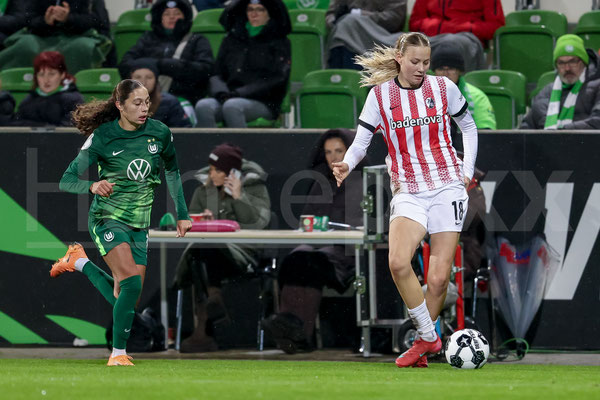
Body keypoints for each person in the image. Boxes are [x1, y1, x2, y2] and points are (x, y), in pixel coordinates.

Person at [333, 32, 478, 368]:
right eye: (415, 62)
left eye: (426, 62)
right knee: (398, 263)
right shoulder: (380, 96)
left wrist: (466, 170)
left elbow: (468, 127)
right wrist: (347, 164)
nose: (422, 68)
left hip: (447, 186)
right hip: (409, 189)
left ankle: (422, 342)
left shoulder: (443, 88)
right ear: (399, 58)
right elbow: (361, 142)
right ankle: (428, 337)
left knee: (439, 279)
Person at [49, 79, 192, 366]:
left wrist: (182, 213)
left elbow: (173, 172)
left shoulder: (160, 133)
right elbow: (67, 180)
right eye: (137, 103)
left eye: (147, 102)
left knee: (128, 297)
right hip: (107, 219)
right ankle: (117, 354)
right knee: (130, 284)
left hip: (140, 223)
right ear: (120, 105)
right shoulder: (103, 136)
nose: (144, 108)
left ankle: (79, 261)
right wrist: (92, 186)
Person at [262, 128, 365, 354]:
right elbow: (307, 220)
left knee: (310, 263)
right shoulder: (320, 182)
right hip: (316, 248)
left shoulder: (363, 182)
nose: (333, 157)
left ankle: (296, 330)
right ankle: (290, 327)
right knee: (295, 260)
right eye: (328, 152)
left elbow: (362, 228)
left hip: (347, 254)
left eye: (339, 151)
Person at [173, 143, 271, 352]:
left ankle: (202, 330)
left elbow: (259, 223)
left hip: (244, 254)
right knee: (199, 251)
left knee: (204, 253)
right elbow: (189, 223)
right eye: (210, 169)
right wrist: (203, 221)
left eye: (218, 170)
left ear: (232, 172)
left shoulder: (256, 189)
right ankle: (213, 299)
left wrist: (239, 196)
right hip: (209, 253)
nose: (212, 174)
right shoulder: (203, 192)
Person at [195, 0, 291, 128]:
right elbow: (216, 73)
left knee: (232, 107)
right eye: (250, 9)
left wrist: (240, 93)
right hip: (229, 96)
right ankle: (212, 141)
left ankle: (239, 142)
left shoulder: (279, 42)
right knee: (203, 106)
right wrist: (221, 93)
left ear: (270, 14)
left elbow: (276, 79)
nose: (254, 14)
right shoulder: (232, 39)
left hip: (263, 101)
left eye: (260, 10)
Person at [119, 0, 214, 106]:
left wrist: (165, 65)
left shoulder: (197, 40)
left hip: (184, 98)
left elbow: (205, 70)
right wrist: (150, 66)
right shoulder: (147, 38)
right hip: (146, 98)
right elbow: (125, 64)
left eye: (177, 13)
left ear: (185, 17)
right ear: (160, 18)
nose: (171, 17)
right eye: (166, 14)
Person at [0, 0, 112, 74]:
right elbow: (27, 20)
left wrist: (69, 18)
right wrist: (45, 21)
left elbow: (99, 21)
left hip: (77, 36)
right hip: (42, 35)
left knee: (82, 47)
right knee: (25, 45)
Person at [521, 34, 600, 130]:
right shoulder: (547, 92)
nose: (567, 68)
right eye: (561, 63)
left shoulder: (597, 87)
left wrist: (561, 132)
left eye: (572, 61)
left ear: (584, 62)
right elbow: (526, 127)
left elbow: (597, 122)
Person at [409, 0, 505, 72]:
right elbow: (415, 22)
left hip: (466, 37)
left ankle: (456, 90)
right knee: (401, 41)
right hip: (432, 36)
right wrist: (443, 27)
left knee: (451, 42)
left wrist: (461, 27)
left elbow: (496, 25)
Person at [326, 0, 407, 70]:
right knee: (344, 28)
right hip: (347, 32)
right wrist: (335, 22)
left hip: (381, 35)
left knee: (348, 24)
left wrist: (361, 15)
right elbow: (331, 15)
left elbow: (394, 19)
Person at [432, 45, 496, 130]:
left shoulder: (477, 97)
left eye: (451, 68)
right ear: (434, 72)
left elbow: (486, 132)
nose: (445, 73)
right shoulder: (422, 94)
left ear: (459, 71)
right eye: (440, 69)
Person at [11, 51, 84, 127]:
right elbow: (17, 125)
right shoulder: (28, 100)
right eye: (41, 74)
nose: (46, 80)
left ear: (62, 74)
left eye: (51, 74)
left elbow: (71, 128)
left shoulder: (73, 101)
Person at [128, 59, 192, 127]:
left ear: (156, 80)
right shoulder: (121, 102)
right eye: (138, 77)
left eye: (149, 77)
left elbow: (184, 130)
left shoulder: (169, 103)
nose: (143, 82)